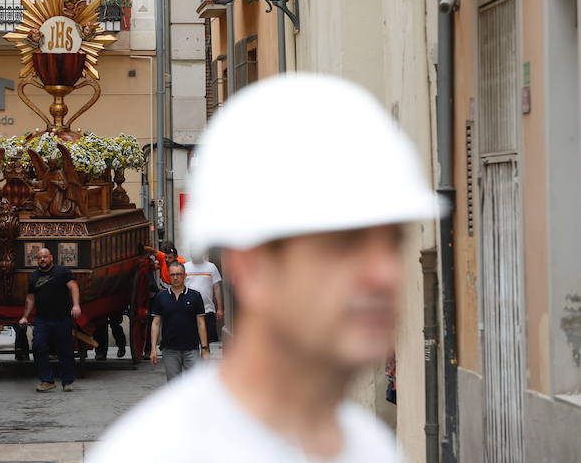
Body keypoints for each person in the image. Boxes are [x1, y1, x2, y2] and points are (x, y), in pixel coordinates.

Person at [88, 74, 441, 462]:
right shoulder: (160, 453)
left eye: (393, 243)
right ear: (253, 267)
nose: (385, 275)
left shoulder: (367, 446)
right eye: (344, 246)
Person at [18, 247, 81, 392]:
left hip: (62, 318)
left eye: (45, 257)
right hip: (42, 320)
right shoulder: (33, 276)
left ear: (51, 258)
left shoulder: (62, 272)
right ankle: (47, 381)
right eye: (39, 257)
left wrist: (76, 305)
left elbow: (74, 287)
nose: (42, 260)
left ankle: (67, 382)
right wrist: (24, 317)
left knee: (65, 350)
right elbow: (30, 298)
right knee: (38, 347)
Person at [149, 263, 208, 381]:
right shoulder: (161, 297)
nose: (175, 278)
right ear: (169, 277)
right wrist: (153, 349)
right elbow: (155, 323)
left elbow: (201, 323)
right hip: (170, 350)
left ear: (185, 276)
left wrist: (205, 348)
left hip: (191, 349)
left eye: (179, 274)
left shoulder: (195, 296)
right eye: (173, 275)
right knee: (174, 387)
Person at [183, 257, 223, 344]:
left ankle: (206, 357)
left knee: (208, 342)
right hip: (189, 311)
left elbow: (217, 288)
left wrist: (219, 308)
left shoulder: (211, 267)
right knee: (191, 342)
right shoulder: (185, 267)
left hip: (207, 311)